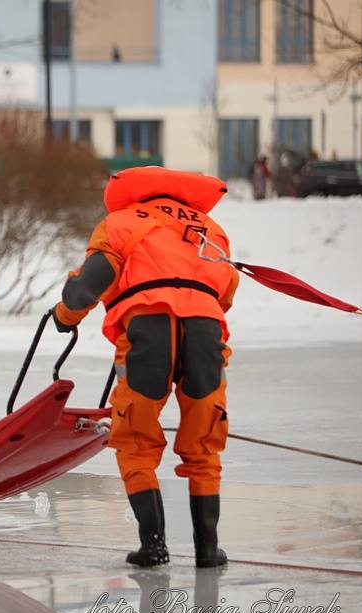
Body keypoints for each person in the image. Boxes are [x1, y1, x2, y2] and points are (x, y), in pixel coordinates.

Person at [51, 166, 239, 568]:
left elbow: (87, 287)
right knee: (204, 440)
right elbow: (225, 291)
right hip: (206, 334)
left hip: (149, 333)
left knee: (134, 439)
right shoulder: (210, 229)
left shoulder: (119, 223)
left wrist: (65, 316)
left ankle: (153, 546)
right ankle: (208, 550)